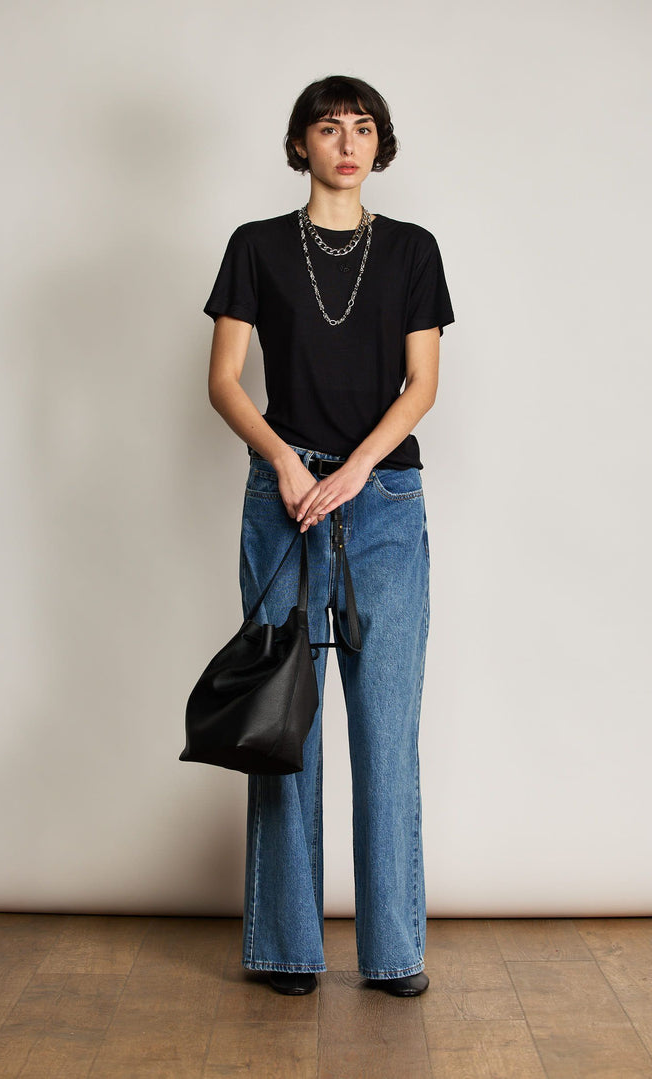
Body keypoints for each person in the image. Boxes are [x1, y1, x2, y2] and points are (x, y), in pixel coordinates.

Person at [202, 75, 454, 996]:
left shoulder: (413, 250)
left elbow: (422, 385)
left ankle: (393, 954)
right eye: (327, 127)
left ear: (380, 144)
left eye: (363, 128)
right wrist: (283, 460)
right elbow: (225, 379)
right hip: (285, 499)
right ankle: (286, 948)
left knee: (387, 732)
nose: (347, 143)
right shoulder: (257, 246)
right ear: (300, 143)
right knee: (285, 726)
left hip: (382, 500)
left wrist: (352, 471)